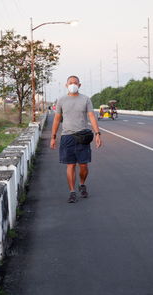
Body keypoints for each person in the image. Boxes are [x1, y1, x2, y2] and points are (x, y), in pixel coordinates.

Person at [50, 75, 102, 203]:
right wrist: (53, 137)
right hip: (67, 137)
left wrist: (97, 134)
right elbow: (57, 119)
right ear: (66, 85)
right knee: (71, 165)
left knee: (83, 165)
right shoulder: (61, 100)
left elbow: (91, 117)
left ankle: (82, 183)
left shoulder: (86, 99)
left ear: (79, 85)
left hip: (82, 136)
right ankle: (72, 191)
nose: (73, 84)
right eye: (70, 82)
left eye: (75, 82)